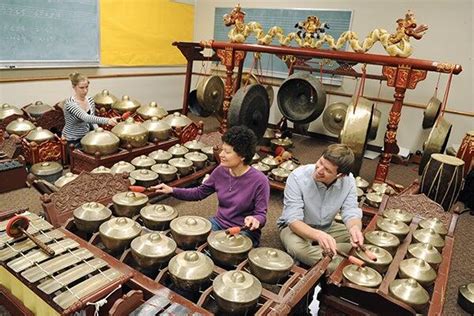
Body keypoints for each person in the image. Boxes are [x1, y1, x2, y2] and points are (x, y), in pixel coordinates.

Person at [152, 126, 270, 247]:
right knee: (188, 240)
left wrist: (255, 220)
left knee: (220, 252)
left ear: (242, 156)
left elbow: (261, 215)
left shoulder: (260, 181)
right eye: (222, 150)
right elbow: (199, 193)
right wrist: (171, 190)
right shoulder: (220, 171)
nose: (221, 154)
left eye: (227, 152)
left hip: (243, 230)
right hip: (219, 223)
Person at [277, 143, 363, 271]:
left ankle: (326, 253)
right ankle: (341, 264)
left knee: (362, 240)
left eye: (327, 170)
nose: (319, 170)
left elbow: (351, 211)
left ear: (340, 176)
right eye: (320, 162)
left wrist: (355, 229)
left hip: (328, 226)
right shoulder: (297, 177)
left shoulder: (348, 181)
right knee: (298, 248)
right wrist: (318, 236)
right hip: (296, 228)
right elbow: (293, 220)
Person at [62, 72, 119, 148]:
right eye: (81, 88)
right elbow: (86, 117)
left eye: (87, 87)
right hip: (72, 140)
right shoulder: (70, 103)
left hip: (86, 137)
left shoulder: (90, 100)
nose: (85, 90)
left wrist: (98, 132)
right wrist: (108, 120)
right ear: (74, 87)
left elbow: (92, 119)